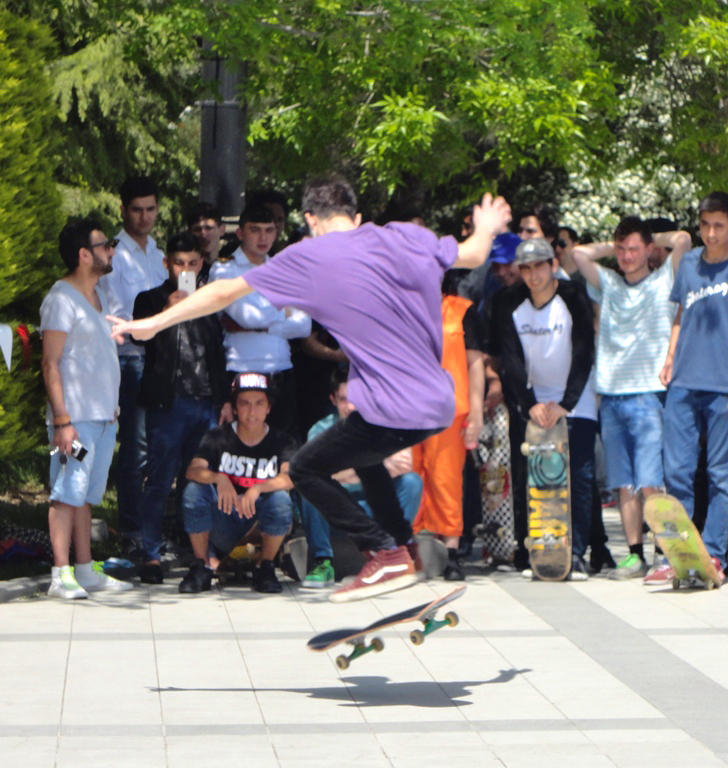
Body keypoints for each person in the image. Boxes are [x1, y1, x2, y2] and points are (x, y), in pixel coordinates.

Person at [108, 178, 511, 602]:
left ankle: (385, 553)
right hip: (437, 403)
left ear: (310, 220)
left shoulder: (309, 256)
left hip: (391, 408)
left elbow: (224, 290)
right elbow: (475, 253)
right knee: (364, 451)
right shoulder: (404, 237)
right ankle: (400, 544)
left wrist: (153, 324)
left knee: (304, 469)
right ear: (356, 218)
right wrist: (486, 224)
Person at [656, 191, 728, 584]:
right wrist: (670, 356)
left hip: (725, 386)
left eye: (719, 225)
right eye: (705, 225)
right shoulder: (688, 265)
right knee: (678, 472)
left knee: (721, 475)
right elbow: (680, 315)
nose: (711, 232)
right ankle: (680, 553)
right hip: (684, 385)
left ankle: (714, 555)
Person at [572, 217, 691, 578]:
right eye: (621, 250)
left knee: (651, 481)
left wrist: (649, 240)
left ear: (649, 251)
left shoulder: (663, 281)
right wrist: (616, 244)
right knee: (624, 483)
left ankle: (665, 554)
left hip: (649, 394)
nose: (626, 255)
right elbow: (579, 255)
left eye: (633, 249)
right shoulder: (607, 284)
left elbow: (684, 239)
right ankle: (635, 554)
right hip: (611, 395)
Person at [489, 238, 597, 579]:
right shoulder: (508, 302)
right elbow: (510, 359)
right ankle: (533, 550)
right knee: (531, 475)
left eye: (539, 266)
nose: (533, 275)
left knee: (577, 475)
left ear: (552, 265)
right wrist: (530, 403)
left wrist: (566, 403)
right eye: (526, 268)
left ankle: (576, 551)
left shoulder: (573, 297)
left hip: (574, 396)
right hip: (533, 396)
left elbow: (583, 351)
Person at [132, 232, 231, 584]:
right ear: (167, 264)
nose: (185, 269)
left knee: (198, 481)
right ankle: (151, 554)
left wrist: (225, 400)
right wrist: (167, 310)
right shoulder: (149, 299)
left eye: (192, 263)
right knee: (159, 480)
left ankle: (201, 555)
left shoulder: (210, 300)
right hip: (168, 402)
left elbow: (218, 352)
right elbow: (137, 335)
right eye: (179, 263)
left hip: (206, 402)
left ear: (201, 264)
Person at [41, 219, 132, 598]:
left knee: (85, 495)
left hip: (102, 419)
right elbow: (50, 364)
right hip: (74, 422)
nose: (111, 249)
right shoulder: (61, 300)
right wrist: (62, 422)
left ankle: (84, 567)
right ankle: (59, 575)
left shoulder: (99, 296)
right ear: (84, 254)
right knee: (67, 492)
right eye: (105, 244)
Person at [297, 369, 424, 588]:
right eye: (344, 400)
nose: (350, 407)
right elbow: (313, 473)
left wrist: (343, 470)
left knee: (412, 482)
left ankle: (398, 551)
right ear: (333, 400)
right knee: (306, 488)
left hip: (375, 504)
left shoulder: (387, 424)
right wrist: (380, 465)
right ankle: (322, 562)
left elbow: (405, 465)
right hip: (339, 508)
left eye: (356, 400)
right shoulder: (320, 430)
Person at [179, 373, 296, 594]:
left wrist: (258, 488)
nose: (252, 411)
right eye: (244, 404)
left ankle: (266, 566)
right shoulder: (217, 437)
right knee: (194, 492)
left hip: (260, 522)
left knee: (281, 498)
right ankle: (201, 566)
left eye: (259, 403)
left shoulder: (282, 441)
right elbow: (193, 470)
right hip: (224, 518)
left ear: (268, 408)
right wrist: (219, 478)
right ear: (234, 408)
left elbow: (289, 478)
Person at [102, 176, 166, 552]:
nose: (144, 217)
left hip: (161, 355)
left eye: (150, 209)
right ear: (123, 210)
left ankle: (153, 529)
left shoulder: (158, 253)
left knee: (160, 446)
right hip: (128, 356)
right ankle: (130, 530)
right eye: (137, 210)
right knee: (136, 446)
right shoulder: (113, 253)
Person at [210, 203, 311, 435]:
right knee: (242, 448)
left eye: (269, 230)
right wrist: (282, 309)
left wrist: (263, 324)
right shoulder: (225, 269)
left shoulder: (282, 270)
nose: (263, 237)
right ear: (240, 233)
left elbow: (304, 325)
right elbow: (247, 318)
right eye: (255, 230)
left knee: (281, 451)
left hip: (281, 370)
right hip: (243, 368)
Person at [410, 281, 485, 581]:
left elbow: (475, 363)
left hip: (450, 411)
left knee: (447, 480)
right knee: (411, 477)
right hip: (409, 411)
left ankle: (451, 552)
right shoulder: (402, 309)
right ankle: (411, 551)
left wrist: (477, 414)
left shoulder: (462, 310)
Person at [186, 202, 225, 277]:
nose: (203, 234)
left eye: (208, 228)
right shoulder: (187, 270)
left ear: (222, 230)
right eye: (197, 229)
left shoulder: (232, 268)